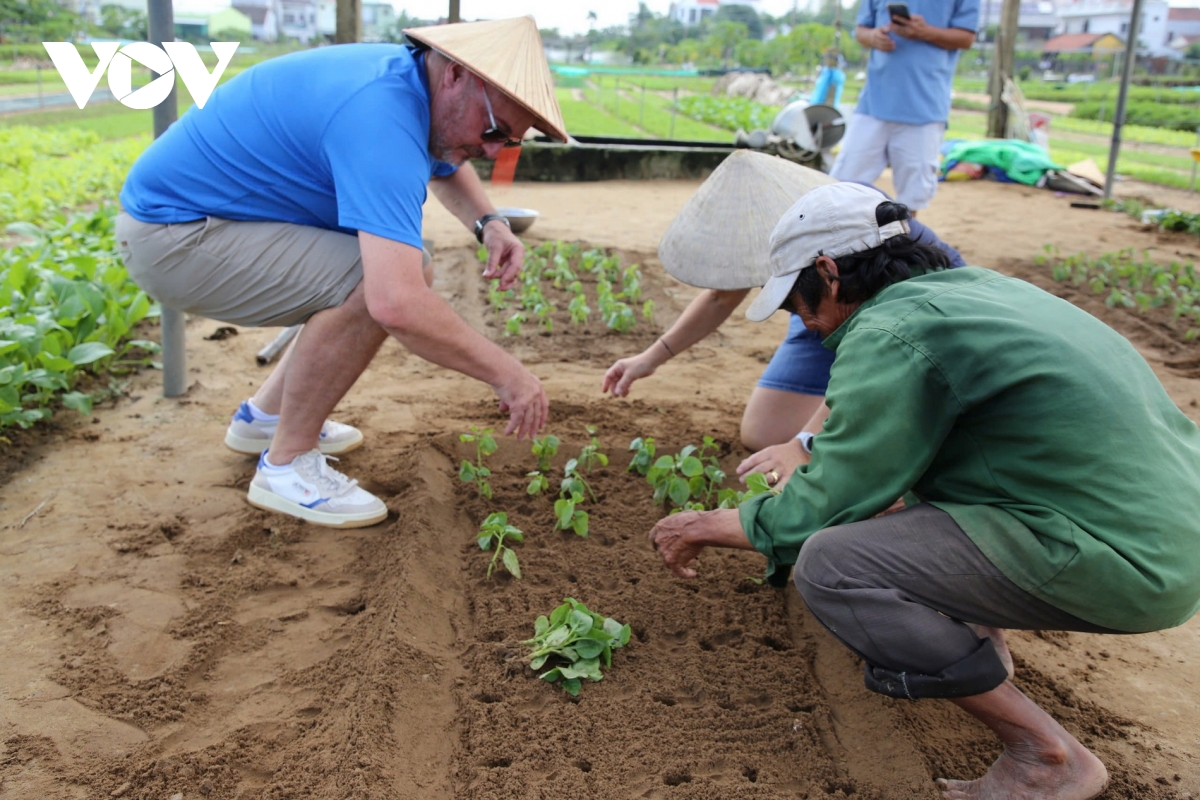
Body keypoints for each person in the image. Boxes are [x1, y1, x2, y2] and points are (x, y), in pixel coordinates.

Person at [648, 182, 1200, 799]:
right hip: (1168, 532)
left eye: (796, 304)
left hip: (1125, 559)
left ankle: (1045, 757)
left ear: (828, 273)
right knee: (911, 495)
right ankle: (981, 642)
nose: (802, 322)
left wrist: (710, 525)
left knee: (832, 562)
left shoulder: (892, 330)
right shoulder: (978, 292)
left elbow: (834, 493)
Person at [116, 18, 562, 528]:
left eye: (508, 142)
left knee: (393, 268)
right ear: (458, 76)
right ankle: (287, 466)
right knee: (378, 280)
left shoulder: (412, 86)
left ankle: (263, 420)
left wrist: (490, 224)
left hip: (200, 223)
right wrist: (510, 377)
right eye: (492, 131)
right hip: (175, 239)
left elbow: (447, 158)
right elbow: (396, 304)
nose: (491, 151)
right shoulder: (379, 117)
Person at [603, 151, 963, 476]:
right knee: (764, 432)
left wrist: (806, 441)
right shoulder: (783, 260)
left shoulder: (854, 225)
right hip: (818, 296)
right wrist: (650, 358)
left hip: (881, 299)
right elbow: (720, 298)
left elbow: (875, 357)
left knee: (876, 424)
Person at [829, 0, 979, 212]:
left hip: (925, 107)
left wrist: (925, 32)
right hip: (874, 102)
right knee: (843, 184)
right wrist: (874, 37)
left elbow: (967, 37)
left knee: (912, 196)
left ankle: (903, 242)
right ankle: (843, 242)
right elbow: (861, 30)